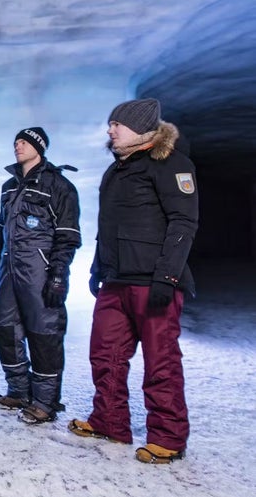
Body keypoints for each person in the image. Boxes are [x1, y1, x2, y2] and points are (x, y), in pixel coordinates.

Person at [69, 98, 198, 465]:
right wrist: (98, 268)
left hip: (153, 282)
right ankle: (110, 422)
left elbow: (184, 223)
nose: (110, 130)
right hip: (116, 281)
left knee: (161, 362)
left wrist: (168, 276)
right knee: (105, 355)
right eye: (110, 124)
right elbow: (107, 229)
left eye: (117, 125)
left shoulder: (171, 165)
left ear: (141, 129)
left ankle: (168, 438)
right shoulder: (117, 172)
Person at [0, 127, 82, 425]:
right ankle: (19, 390)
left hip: (39, 269)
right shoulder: (9, 186)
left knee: (44, 332)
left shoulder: (59, 185)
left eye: (24, 142)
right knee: (4, 328)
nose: (18, 146)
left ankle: (45, 401)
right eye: (15, 142)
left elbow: (67, 236)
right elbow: (0, 229)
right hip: (9, 268)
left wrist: (58, 274)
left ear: (39, 147)